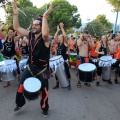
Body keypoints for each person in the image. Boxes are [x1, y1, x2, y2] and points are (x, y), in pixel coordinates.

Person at [11, 2, 52, 117]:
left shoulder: (46, 38)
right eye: (33, 24)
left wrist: (44, 16)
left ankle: (44, 108)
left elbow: (44, 33)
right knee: (20, 86)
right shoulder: (30, 35)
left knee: (44, 91)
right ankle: (20, 103)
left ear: (41, 26)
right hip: (30, 67)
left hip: (42, 70)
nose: (33, 26)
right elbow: (16, 27)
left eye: (36, 25)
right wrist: (15, 14)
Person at [0, 22, 21, 87]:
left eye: (11, 32)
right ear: (8, 32)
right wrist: (4, 24)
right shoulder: (5, 37)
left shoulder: (14, 39)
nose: (10, 33)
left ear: (13, 33)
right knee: (6, 71)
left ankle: (19, 82)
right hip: (6, 58)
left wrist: (17, 28)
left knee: (17, 69)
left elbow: (20, 34)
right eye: (9, 32)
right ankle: (8, 82)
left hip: (13, 57)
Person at [53, 23, 71, 90]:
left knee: (67, 73)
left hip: (64, 61)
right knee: (56, 74)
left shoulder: (65, 44)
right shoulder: (58, 44)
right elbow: (54, 37)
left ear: (62, 38)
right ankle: (57, 84)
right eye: (58, 37)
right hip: (58, 62)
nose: (58, 38)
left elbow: (65, 36)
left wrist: (62, 28)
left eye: (59, 37)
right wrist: (57, 30)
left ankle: (69, 84)